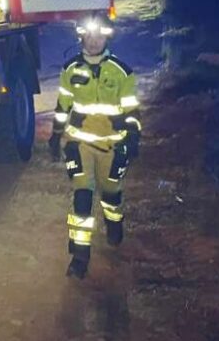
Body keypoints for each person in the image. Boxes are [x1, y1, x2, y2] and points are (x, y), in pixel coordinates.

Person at [48, 15, 141, 278]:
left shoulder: (121, 72)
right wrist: (56, 137)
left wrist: (133, 136)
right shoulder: (70, 70)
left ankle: (114, 226)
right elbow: (62, 107)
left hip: (112, 146)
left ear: (107, 38)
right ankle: (79, 257)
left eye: (99, 36)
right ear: (82, 38)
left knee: (111, 195)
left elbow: (132, 109)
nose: (94, 41)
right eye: (89, 37)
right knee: (82, 197)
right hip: (80, 144)